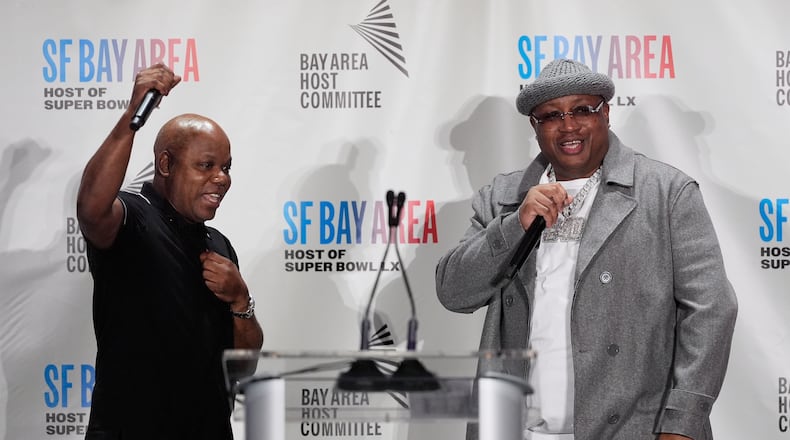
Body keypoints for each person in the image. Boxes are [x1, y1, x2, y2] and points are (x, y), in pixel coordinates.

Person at [435, 58, 737, 440]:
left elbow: (712, 310)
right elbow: (453, 293)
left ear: (606, 113)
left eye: (582, 110)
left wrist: (682, 424)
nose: (568, 126)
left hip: (635, 429)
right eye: (550, 115)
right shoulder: (503, 197)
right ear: (535, 126)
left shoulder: (666, 192)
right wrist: (514, 226)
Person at [76, 63, 264, 440]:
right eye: (206, 165)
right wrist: (133, 115)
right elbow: (92, 208)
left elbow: (243, 368)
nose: (221, 178)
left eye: (225, 167)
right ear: (165, 164)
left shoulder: (220, 246)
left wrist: (241, 300)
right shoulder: (133, 219)